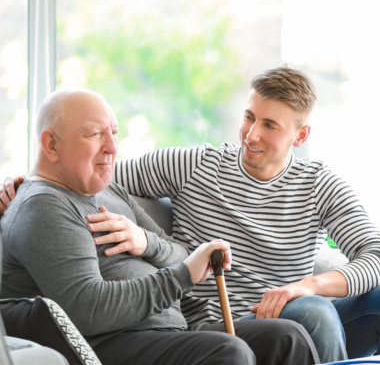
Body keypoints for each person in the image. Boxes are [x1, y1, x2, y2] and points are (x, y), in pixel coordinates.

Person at [1, 68, 380, 363]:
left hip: (283, 307)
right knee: (313, 315)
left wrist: (307, 285)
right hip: (212, 318)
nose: (252, 134)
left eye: (270, 125)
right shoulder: (194, 165)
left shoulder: (318, 183)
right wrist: (24, 182)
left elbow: (379, 254)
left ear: (301, 135)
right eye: (249, 117)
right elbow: (78, 173)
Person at [0, 89, 319, 365]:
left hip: (169, 330)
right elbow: (89, 308)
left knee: (288, 338)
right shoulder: (42, 206)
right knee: (227, 352)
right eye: (95, 134)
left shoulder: (108, 190)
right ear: (51, 145)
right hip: (108, 345)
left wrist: (145, 242)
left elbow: (179, 252)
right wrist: (183, 275)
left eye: (114, 132)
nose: (112, 147)